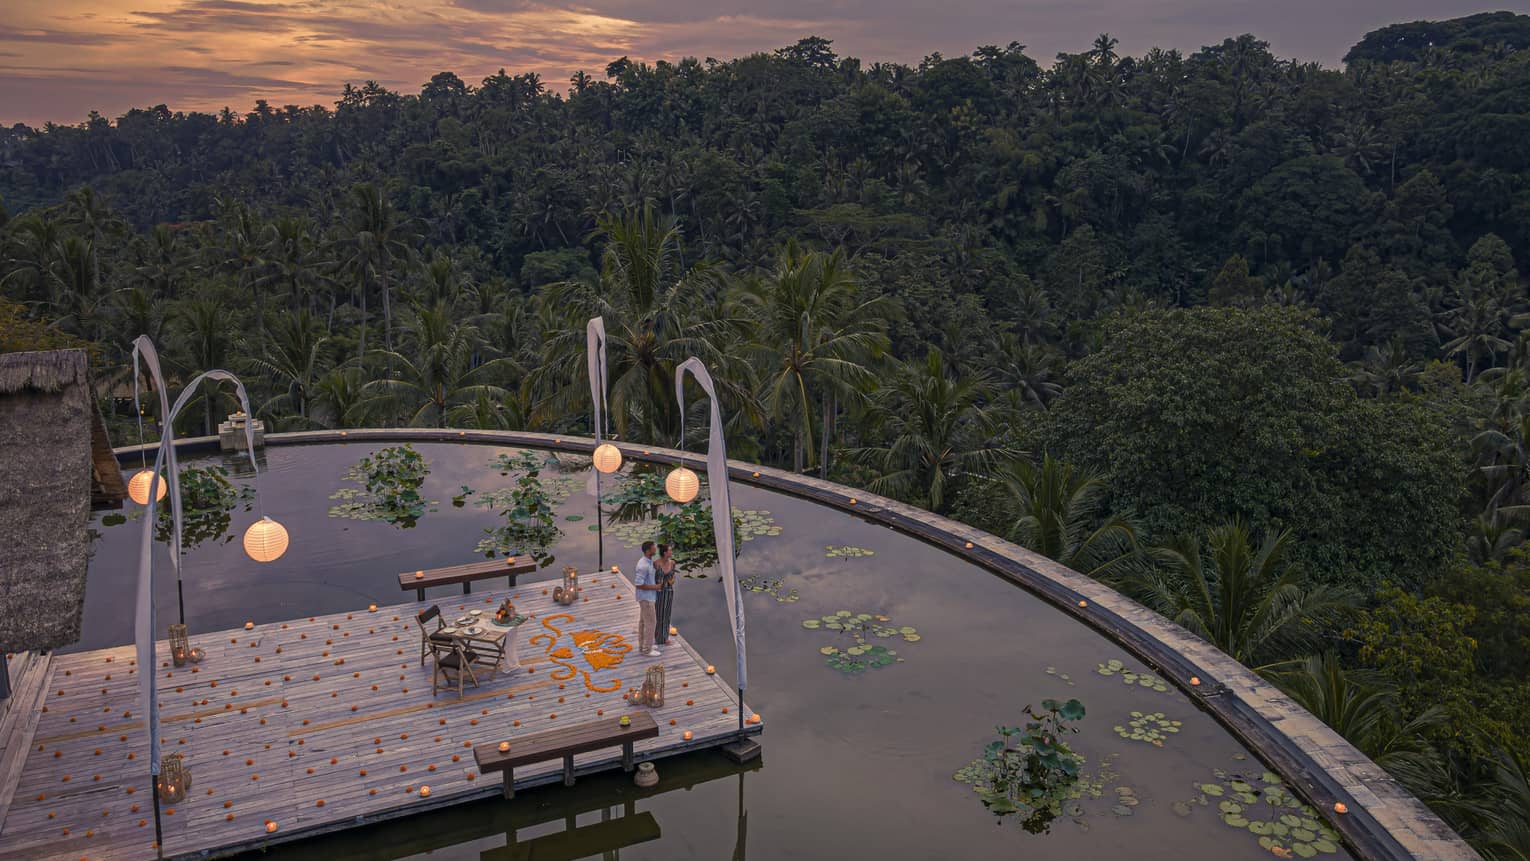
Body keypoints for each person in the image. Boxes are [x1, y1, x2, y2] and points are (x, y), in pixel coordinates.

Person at [633, 541, 662, 656]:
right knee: (651, 622)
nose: (656, 549)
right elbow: (638, 584)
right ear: (648, 550)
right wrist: (656, 587)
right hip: (646, 599)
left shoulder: (648, 562)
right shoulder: (643, 566)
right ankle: (647, 649)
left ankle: (643, 645)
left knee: (643, 622)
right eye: (654, 548)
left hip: (648, 597)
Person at [654, 543, 677, 645]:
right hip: (658, 592)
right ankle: (657, 637)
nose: (671, 552)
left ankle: (665, 637)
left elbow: (673, 577)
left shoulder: (672, 563)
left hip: (669, 591)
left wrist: (671, 581)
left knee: (667, 614)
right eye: (670, 551)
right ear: (664, 552)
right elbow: (651, 578)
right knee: (659, 614)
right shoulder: (656, 563)